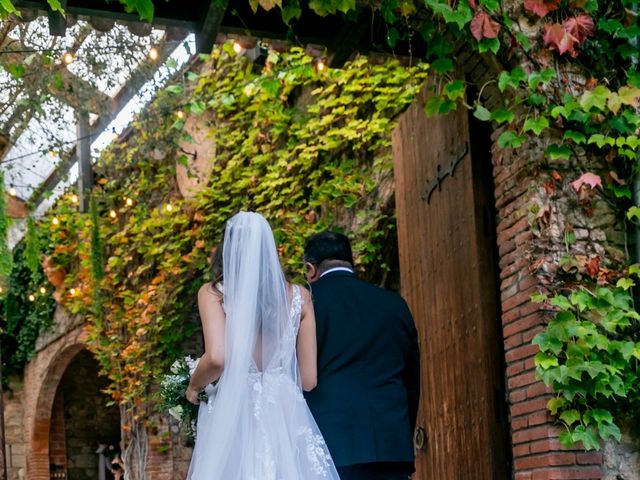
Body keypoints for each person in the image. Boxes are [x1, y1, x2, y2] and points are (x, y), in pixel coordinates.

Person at [185, 212, 339, 480]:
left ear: (227, 250)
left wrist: (194, 385)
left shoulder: (214, 293)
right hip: (284, 410)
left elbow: (218, 358)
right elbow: (309, 380)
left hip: (236, 410)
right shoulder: (300, 297)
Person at [303, 231, 420, 480]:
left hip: (332, 446)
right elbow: (412, 381)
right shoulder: (394, 304)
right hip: (391, 445)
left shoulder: (307, 306)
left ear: (310, 269)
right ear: (350, 262)